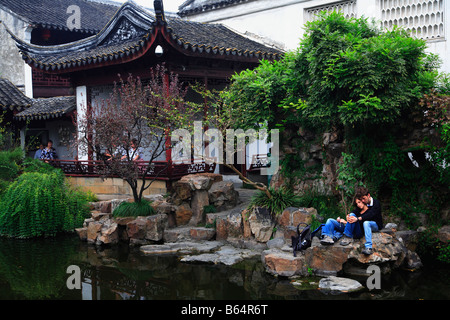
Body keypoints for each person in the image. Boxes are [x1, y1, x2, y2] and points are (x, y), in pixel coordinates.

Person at [348, 187, 383, 255]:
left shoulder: (376, 203)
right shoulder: (364, 203)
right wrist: (349, 215)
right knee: (352, 214)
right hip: (363, 225)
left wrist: (358, 218)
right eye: (361, 199)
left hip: (375, 224)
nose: (363, 201)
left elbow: (370, 215)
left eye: (364, 198)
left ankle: (368, 248)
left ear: (368, 195)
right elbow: (356, 210)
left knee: (366, 223)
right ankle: (347, 235)